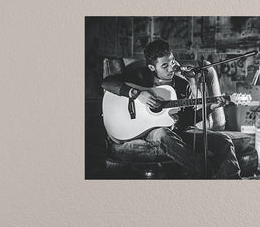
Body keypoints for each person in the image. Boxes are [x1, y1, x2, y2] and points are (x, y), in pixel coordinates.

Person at [102, 39, 242, 179]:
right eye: (165, 65)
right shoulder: (139, 76)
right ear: (152, 68)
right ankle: (208, 173)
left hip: (179, 130)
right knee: (164, 134)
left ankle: (232, 181)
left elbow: (189, 118)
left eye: (172, 61)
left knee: (224, 141)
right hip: (152, 130)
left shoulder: (182, 84)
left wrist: (210, 107)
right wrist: (137, 94)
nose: (171, 68)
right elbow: (107, 83)